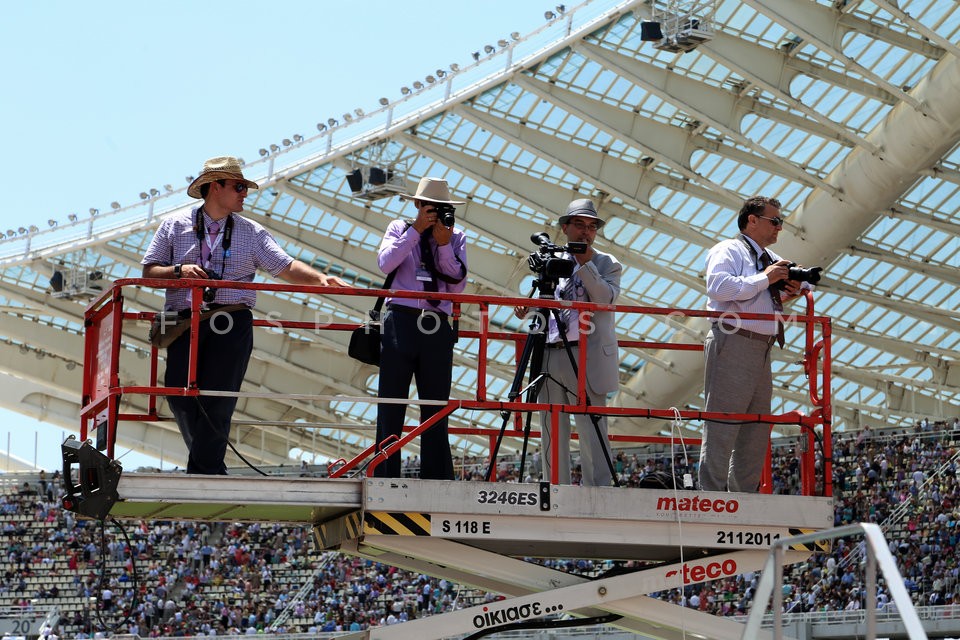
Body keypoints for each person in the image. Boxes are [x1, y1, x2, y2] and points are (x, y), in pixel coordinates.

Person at [142, 156, 350, 474]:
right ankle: (208, 466)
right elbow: (149, 272)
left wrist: (321, 280)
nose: (245, 193)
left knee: (219, 398)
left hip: (231, 317)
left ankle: (205, 470)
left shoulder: (251, 232)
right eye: (238, 186)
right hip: (182, 318)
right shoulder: (174, 224)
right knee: (177, 393)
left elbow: (286, 266)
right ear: (215, 187)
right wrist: (181, 270)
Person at [699, 195, 806, 492]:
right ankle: (712, 494)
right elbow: (718, 288)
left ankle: (743, 494)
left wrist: (792, 288)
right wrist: (766, 278)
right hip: (734, 338)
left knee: (756, 426)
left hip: (760, 344)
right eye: (775, 221)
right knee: (723, 422)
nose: (779, 228)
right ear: (752, 220)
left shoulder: (769, 261)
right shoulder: (728, 250)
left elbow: (760, 297)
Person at [516, 199, 621, 486]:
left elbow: (603, 300)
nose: (586, 232)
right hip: (551, 351)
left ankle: (599, 492)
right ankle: (554, 489)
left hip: (587, 355)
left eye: (591, 227)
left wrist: (586, 265)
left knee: (592, 428)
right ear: (565, 228)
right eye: (579, 225)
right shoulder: (553, 260)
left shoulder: (607, 263)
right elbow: (547, 302)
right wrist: (529, 306)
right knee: (551, 427)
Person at [374, 177, 468, 479]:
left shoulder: (456, 237)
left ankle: (437, 476)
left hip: (436, 323)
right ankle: (385, 472)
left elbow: (458, 287)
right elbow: (386, 264)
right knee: (391, 402)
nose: (436, 213)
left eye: (442, 208)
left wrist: (443, 245)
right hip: (400, 318)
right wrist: (416, 231)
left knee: (436, 405)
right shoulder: (399, 229)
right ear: (417, 205)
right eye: (430, 207)